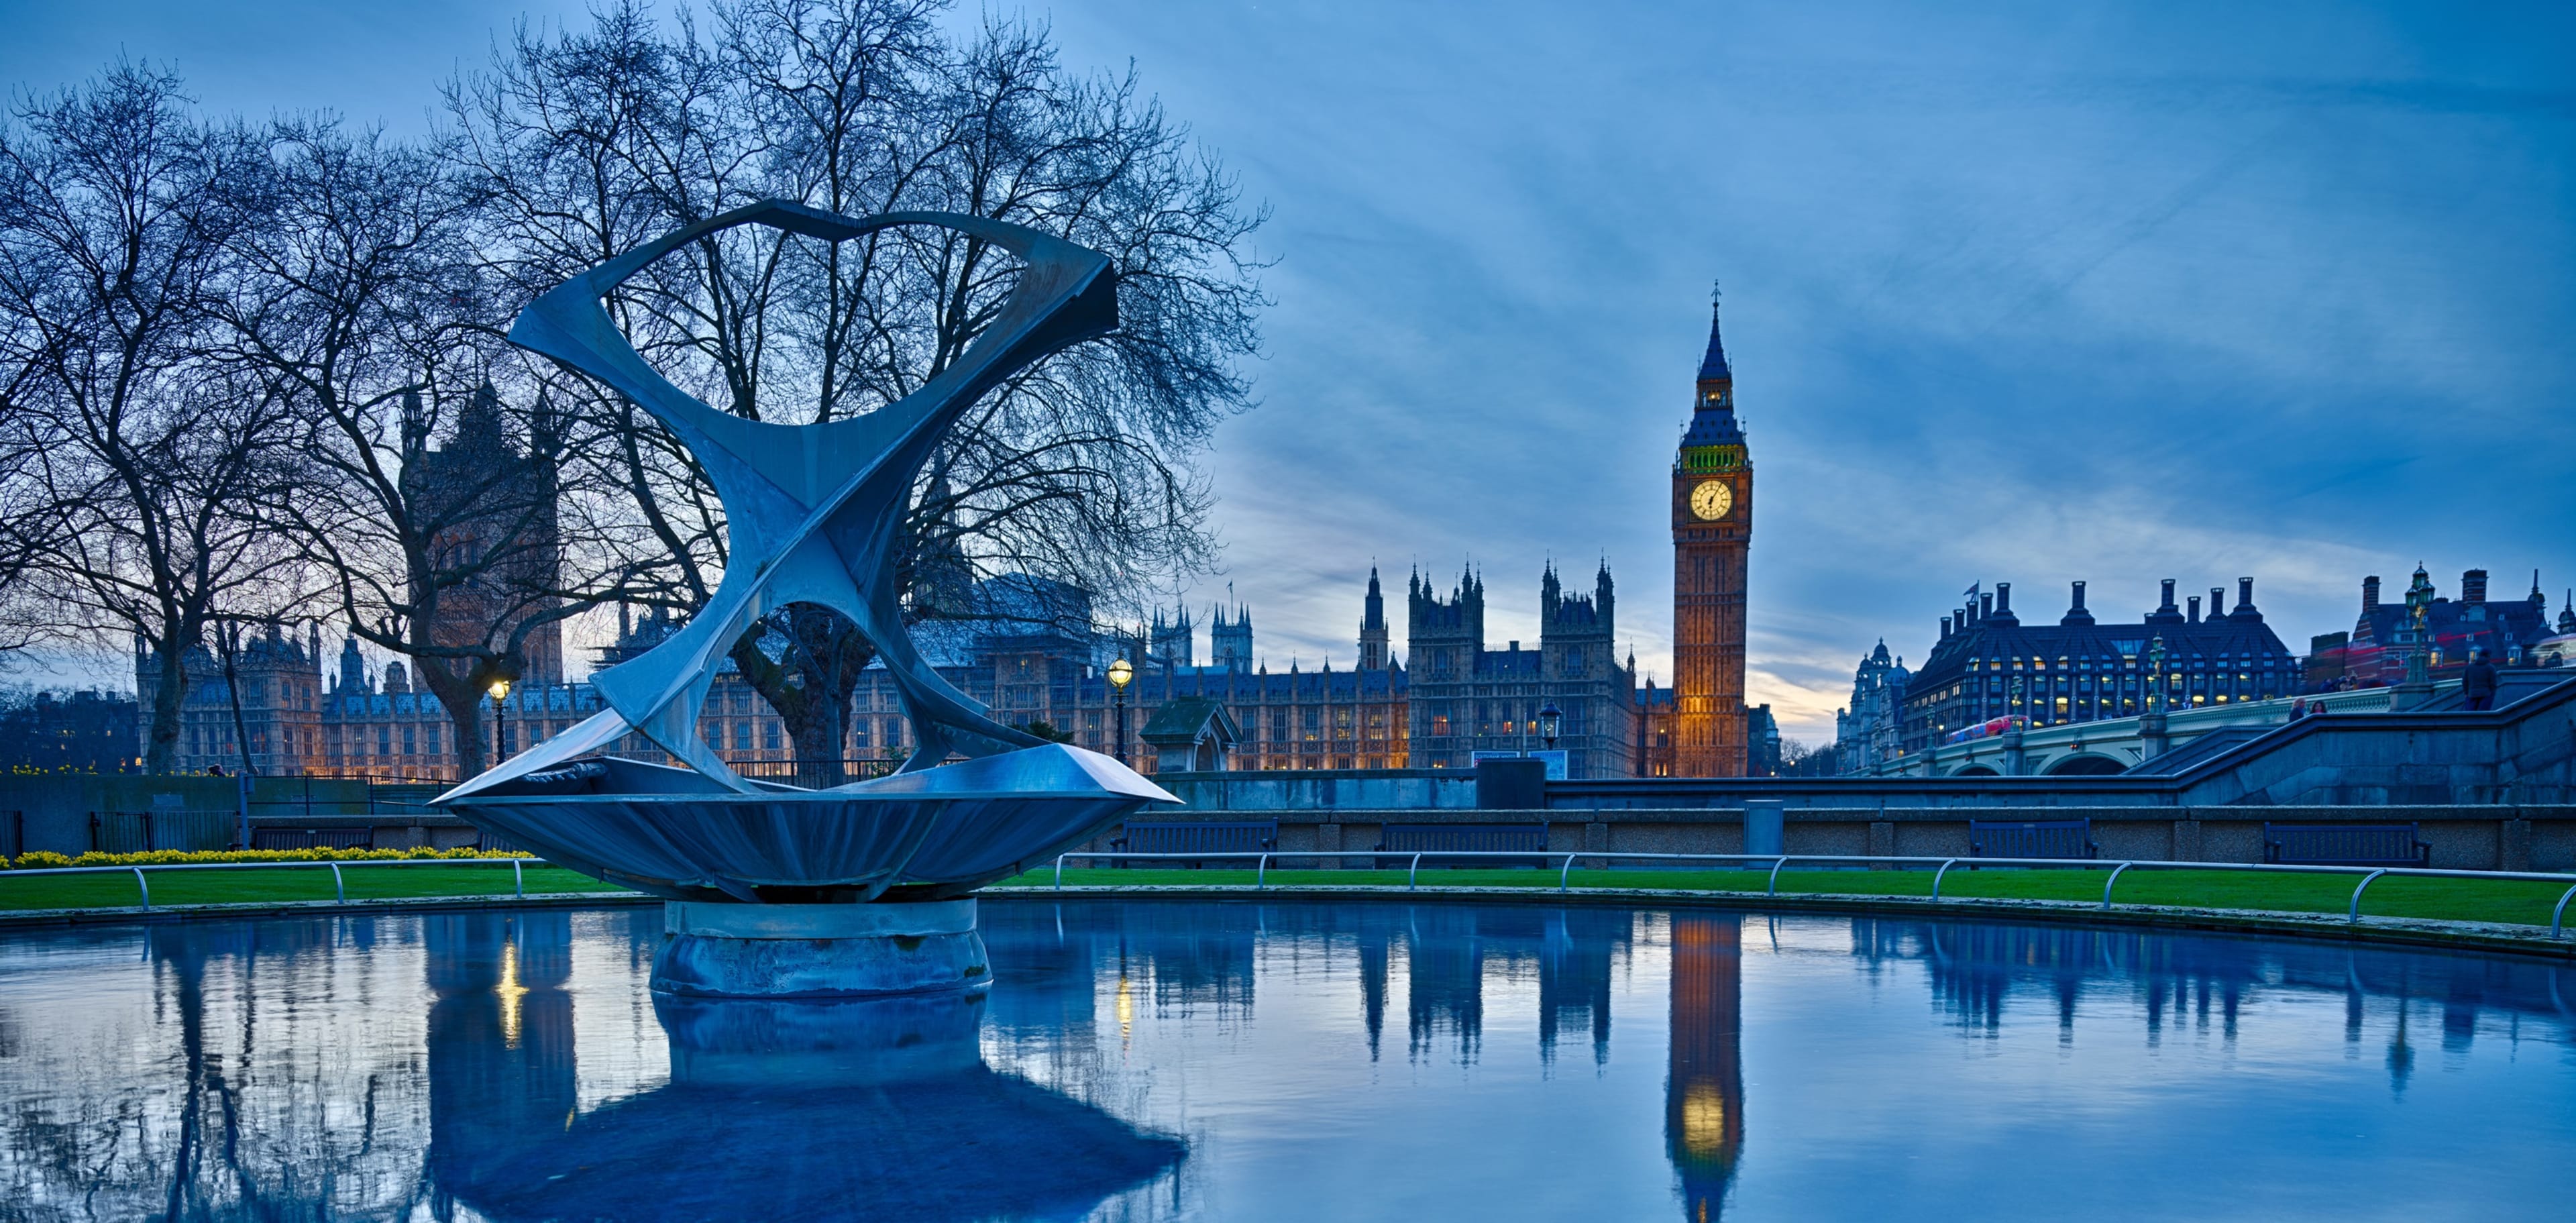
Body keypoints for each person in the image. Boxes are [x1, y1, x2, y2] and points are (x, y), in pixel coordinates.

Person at [2461, 648, 2498, 712]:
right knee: (2483, 715)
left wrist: (2466, 693)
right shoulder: (2491, 668)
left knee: (2470, 716)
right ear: (2488, 656)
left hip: (2472, 694)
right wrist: (2492, 693)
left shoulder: (2469, 667)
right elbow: (2493, 683)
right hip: (2486, 694)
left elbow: (2465, 682)